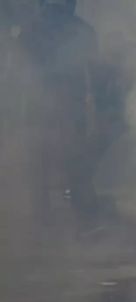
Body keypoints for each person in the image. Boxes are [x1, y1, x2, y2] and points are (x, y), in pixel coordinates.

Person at [17, 0, 103, 237]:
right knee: (44, 160)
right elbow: (18, 70)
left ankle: (79, 216)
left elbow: (93, 71)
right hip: (44, 103)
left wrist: (91, 103)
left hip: (67, 103)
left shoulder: (76, 30)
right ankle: (51, 217)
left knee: (69, 160)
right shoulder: (34, 30)